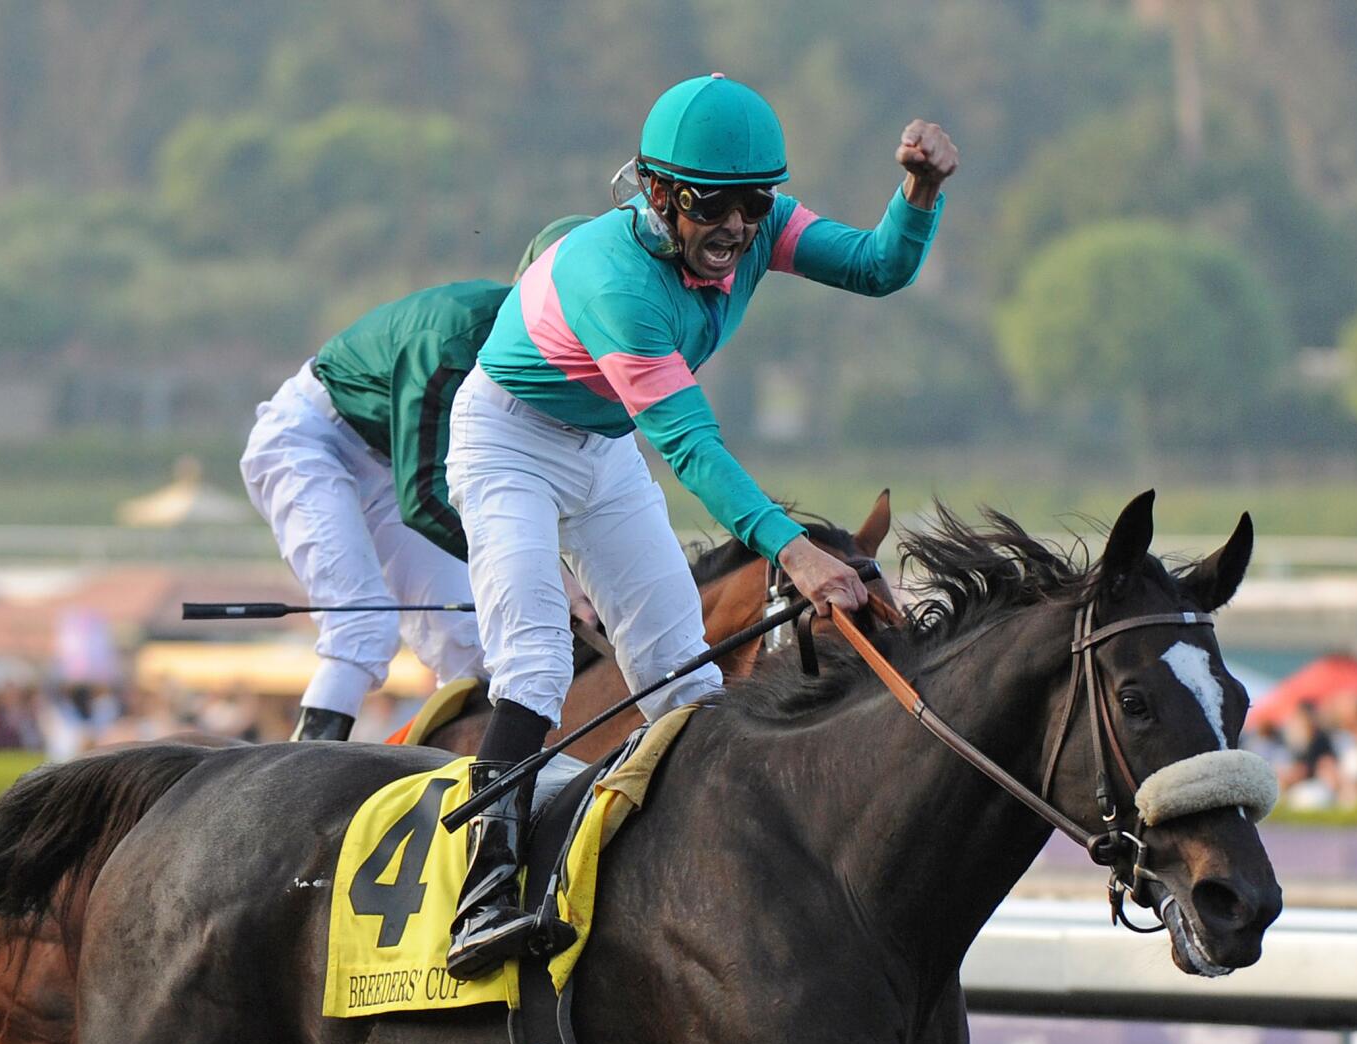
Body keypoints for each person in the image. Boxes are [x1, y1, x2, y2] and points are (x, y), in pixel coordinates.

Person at [442, 74, 958, 975]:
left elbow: (878, 267)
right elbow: (689, 445)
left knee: (682, 677)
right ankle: (480, 894)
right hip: (508, 440)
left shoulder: (759, 228)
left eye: (754, 203)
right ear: (655, 192)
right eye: (712, 205)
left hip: (599, 446)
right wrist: (793, 553)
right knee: (534, 656)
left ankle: (711, 882)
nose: (737, 228)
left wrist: (918, 195)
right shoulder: (615, 279)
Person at [239, 217, 592, 742]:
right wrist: (544, 571)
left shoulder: (549, 361)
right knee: (361, 625)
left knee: (472, 640)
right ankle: (292, 786)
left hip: (389, 459)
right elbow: (424, 499)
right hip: (309, 439)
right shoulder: (449, 339)